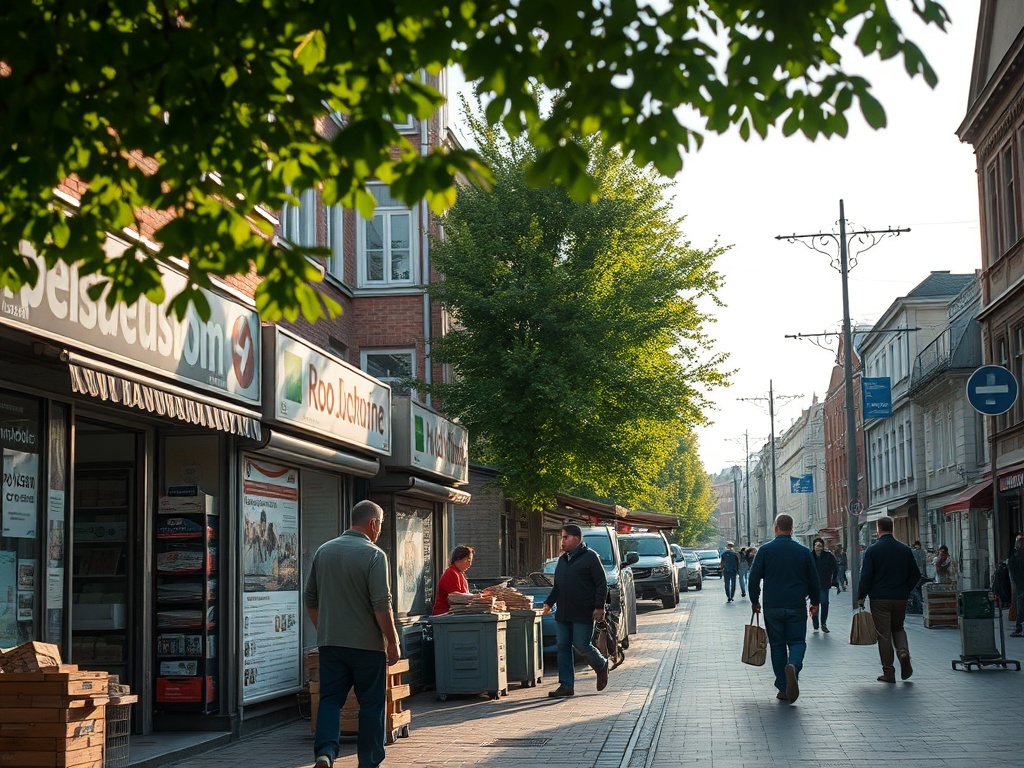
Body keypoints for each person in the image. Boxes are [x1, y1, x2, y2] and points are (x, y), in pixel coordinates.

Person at [304, 500, 401, 768]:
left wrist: (325, 629)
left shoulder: (324, 551)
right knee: (371, 704)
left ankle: (325, 752)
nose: (380, 530)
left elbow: (310, 598)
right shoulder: (374, 555)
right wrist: (392, 641)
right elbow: (381, 605)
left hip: (331, 644)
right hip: (366, 646)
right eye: (381, 524)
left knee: (330, 699)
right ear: (373, 523)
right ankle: (368, 762)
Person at [749, 514, 819, 704]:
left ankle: (782, 687)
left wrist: (755, 601)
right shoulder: (803, 551)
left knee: (777, 646)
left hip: (773, 606)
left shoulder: (765, 550)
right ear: (792, 528)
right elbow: (814, 579)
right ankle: (793, 666)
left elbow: (754, 578)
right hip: (796, 604)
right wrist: (815, 602)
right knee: (797, 642)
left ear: (775, 528)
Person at [542, 523, 610, 698]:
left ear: (577, 539)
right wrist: (548, 603)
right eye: (562, 537)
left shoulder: (590, 557)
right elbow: (558, 586)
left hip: (583, 611)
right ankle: (566, 685)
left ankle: (601, 664)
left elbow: (601, 584)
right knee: (563, 647)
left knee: (581, 644)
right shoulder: (562, 560)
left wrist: (599, 606)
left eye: (565, 537)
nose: (562, 541)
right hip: (563, 612)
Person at [857, 516, 921, 683]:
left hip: (879, 599)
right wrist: (905, 590)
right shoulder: (905, 550)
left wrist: (861, 596)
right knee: (898, 628)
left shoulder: (872, 550)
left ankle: (888, 671)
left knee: (883, 634)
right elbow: (915, 574)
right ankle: (903, 652)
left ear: (878, 529)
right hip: (900, 598)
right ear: (892, 528)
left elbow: (866, 576)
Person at [432, 545, 475, 615]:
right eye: (468, 560)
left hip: (453, 614)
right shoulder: (451, 573)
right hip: (445, 615)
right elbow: (457, 598)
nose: (470, 564)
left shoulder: (458, 573)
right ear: (459, 558)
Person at [810, 538, 839, 633]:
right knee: (814, 605)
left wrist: (834, 579)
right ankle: (815, 625)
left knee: (824, 603)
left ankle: (823, 623)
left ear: (822, 547)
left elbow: (835, 567)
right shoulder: (810, 556)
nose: (818, 548)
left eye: (820, 546)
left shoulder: (828, 556)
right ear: (813, 546)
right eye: (816, 546)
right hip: (813, 585)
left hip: (824, 583)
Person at [1007, 534, 1024, 637]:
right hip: (1020, 584)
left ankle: (1020, 629)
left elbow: (1013, 571)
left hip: (1020, 585)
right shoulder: (1016, 555)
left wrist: (1013, 583)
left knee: (1021, 607)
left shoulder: (1016, 555)